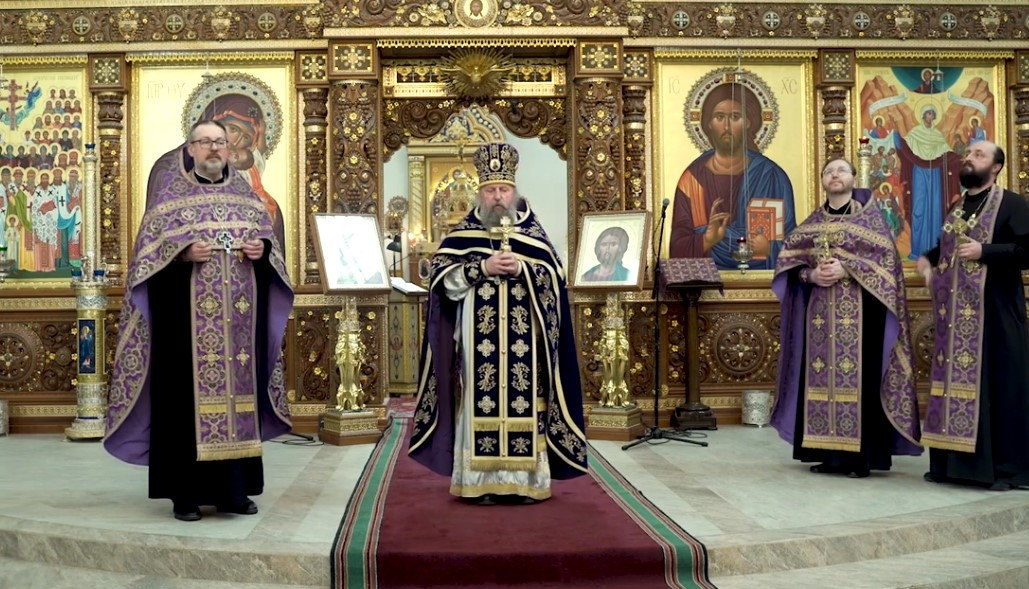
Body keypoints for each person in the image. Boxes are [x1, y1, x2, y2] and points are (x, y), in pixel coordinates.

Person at [104, 119, 294, 521]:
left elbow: (270, 252)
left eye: (219, 142)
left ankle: (234, 493)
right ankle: (185, 496)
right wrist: (181, 255)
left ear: (229, 149)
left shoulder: (247, 198)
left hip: (239, 333)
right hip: (185, 331)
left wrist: (262, 251)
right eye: (205, 142)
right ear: (190, 149)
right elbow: (144, 268)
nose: (213, 148)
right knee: (184, 408)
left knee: (238, 406)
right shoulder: (169, 199)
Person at [409, 142, 587, 504]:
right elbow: (441, 282)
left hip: (526, 346)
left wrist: (523, 268)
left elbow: (554, 279)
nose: (498, 197)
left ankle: (524, 484)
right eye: (491, 190)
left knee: (526, 404)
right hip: (478, 345)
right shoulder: (463, 235)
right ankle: (480, 483)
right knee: (479, 402)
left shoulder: (533, 236)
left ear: (514, 191)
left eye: (504, 189)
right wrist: (481, 268)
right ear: (481, 192)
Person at [771, 158, 922, 478]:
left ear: (854, 178)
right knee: (818, 381)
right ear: (822, 181)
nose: (834, 175)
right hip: (819, 321)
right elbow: (790, 264)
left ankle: (859, 460)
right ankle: (827, 455)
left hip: (863, 318)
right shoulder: (812, 223)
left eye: (841, 170)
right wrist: (811, 275)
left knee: (862, 383)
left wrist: (849, 268)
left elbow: (888, 264)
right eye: (829, 171)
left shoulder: (871, 220)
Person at [916, 141, 1029, 491]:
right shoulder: (958, 207)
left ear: (996, 167)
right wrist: (928, 260)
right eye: (968, 154)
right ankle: (952, 466)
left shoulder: (1012, 204)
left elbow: (1026, 250)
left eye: (978, 155)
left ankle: (1002, 471)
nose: (969, 158)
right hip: (955, 321)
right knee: (953, 389)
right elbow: (947, 248)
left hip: (996, 315)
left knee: (998, 390)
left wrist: (986, 251)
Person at [669, 82, 796, 270]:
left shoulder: (772, 176)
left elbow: (795, 246)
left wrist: (770, 248)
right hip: (705, 283)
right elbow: (677, 248)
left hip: (763, 283)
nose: (727, 126)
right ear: (709, 123)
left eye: (735, 117)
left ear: (748, 122)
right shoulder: (692, 180)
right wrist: (707, 239)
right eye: (719, 117)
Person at [892, 104, 963, 260]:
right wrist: (897, 136)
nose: (930, 116)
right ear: (923, 115)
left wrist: (960, 158)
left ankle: (936, 251)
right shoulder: (915, 133)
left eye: (932, 114)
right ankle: (917, 250)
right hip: (919, 173)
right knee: (918, 209)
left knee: (935, 209)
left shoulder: (937, 135)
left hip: (935, 174)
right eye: (928, 113)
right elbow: (905, 150)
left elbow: (947, 153)